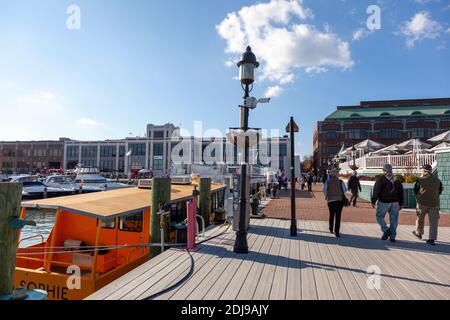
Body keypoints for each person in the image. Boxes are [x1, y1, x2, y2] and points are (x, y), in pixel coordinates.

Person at [371, 164, 404, 243]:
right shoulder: (396, 180)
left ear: (384, 170)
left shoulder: (381, 179)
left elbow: (376, 191)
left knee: (379, 216)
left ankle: (386, 230)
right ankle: (392, 237)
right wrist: (401, 203)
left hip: (384, 202)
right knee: (394, 220)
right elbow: (401, 192)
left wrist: (373, 201)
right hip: (395, 202)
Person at [412, 164, 443, 245]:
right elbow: (440, 190)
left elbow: (415, 190)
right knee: (433, 222)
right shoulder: (437, 180)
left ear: (424, 170)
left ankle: (419, 233)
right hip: (434, 203)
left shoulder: (420, 179)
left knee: (420, 219)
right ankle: (431, 239)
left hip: (422, 202)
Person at [323, 168, 347, 237]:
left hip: (330, 200)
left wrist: (328, 195)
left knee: (331, 214)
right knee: (338, 216)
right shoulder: (340, 182)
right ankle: (337, 232)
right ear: (337, 175)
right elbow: (345, 190)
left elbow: (324, 190)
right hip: (339, 200)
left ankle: (331, 228)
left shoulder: (328, 182)